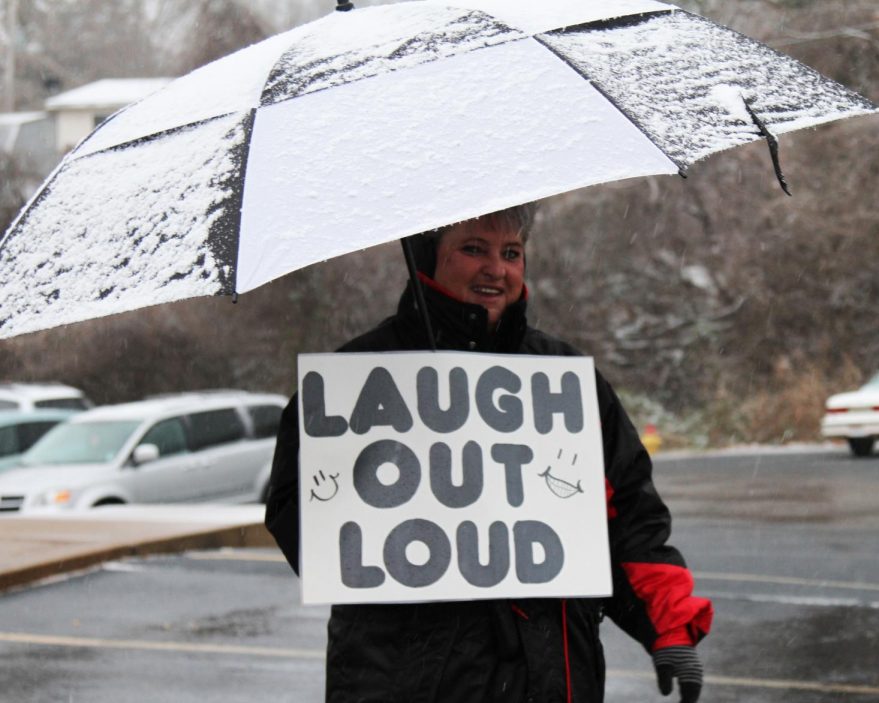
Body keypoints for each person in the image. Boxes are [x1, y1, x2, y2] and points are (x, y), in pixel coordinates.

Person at [266, 204, 713, 703]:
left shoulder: (564, 380)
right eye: (473, 248)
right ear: (426, 259)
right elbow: (296, 513)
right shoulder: (354, 378)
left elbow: (628, 513)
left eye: (512, 252)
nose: (496, 269)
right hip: (402, 678)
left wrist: (668, 625)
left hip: (552, 677)